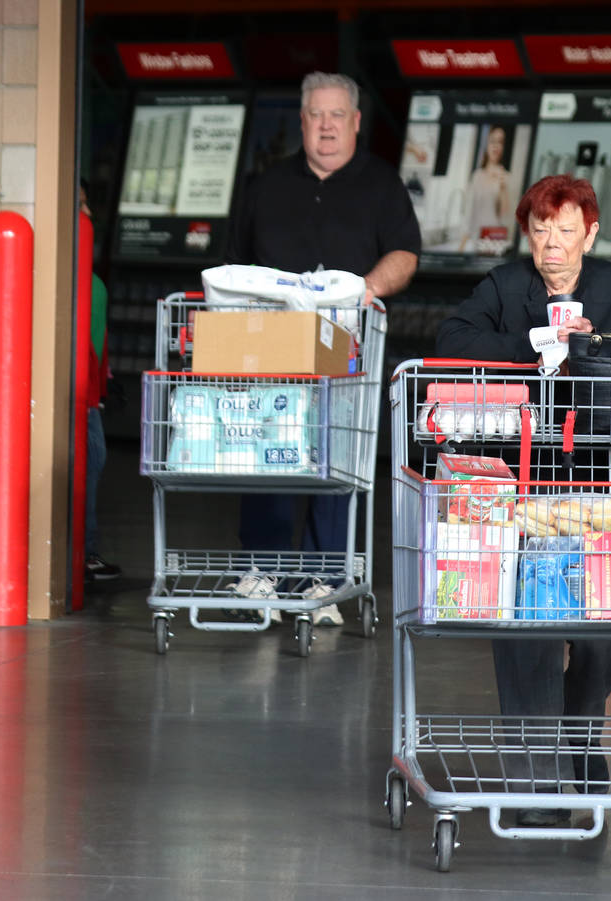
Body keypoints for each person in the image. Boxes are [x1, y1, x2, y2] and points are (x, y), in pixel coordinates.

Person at [436, 174, 611, 825]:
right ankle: (534, 790)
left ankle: (581, 730)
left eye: (567, 231)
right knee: (524, 629)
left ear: (591, 232)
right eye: (541, 230)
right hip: (525, 482)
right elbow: (452, 339)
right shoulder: (505, 287)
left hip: (610, 483)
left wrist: (593, 346)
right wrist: (534, 345)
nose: (552, 245)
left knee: (604, 631)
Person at [226, 71, 421, 626]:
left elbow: (405, 253)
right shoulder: (266, 185)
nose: (327, 125)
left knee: (337, 457)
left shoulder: (381, 184)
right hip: (269, 349)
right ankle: (261, 568)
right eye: (317, 114)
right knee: (264, 454)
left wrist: (365, 289)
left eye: (338, 115)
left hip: (345, 345)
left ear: (356, 121)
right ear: (303, 121)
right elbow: (234, 261)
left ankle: (325, 576)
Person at [80, 183, 121, 584]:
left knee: (92, 460)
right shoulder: (84, 285)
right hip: (83, 396)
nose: (87, 212)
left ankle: (83, 550)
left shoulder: (91, 284)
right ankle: (85, 552)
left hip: (89, 394)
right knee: (91, 459)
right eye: (80, 204)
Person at [460, 124, 511, 252]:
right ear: (486, 144)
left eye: (500, 142)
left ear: (504, 147)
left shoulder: (507, 177)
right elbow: (469, 213)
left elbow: (505, 216)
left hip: (495, 242)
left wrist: (503, 187)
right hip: (475, 241)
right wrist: (461, 247)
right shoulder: (477, 175)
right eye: (492, 141)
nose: (495, 146)